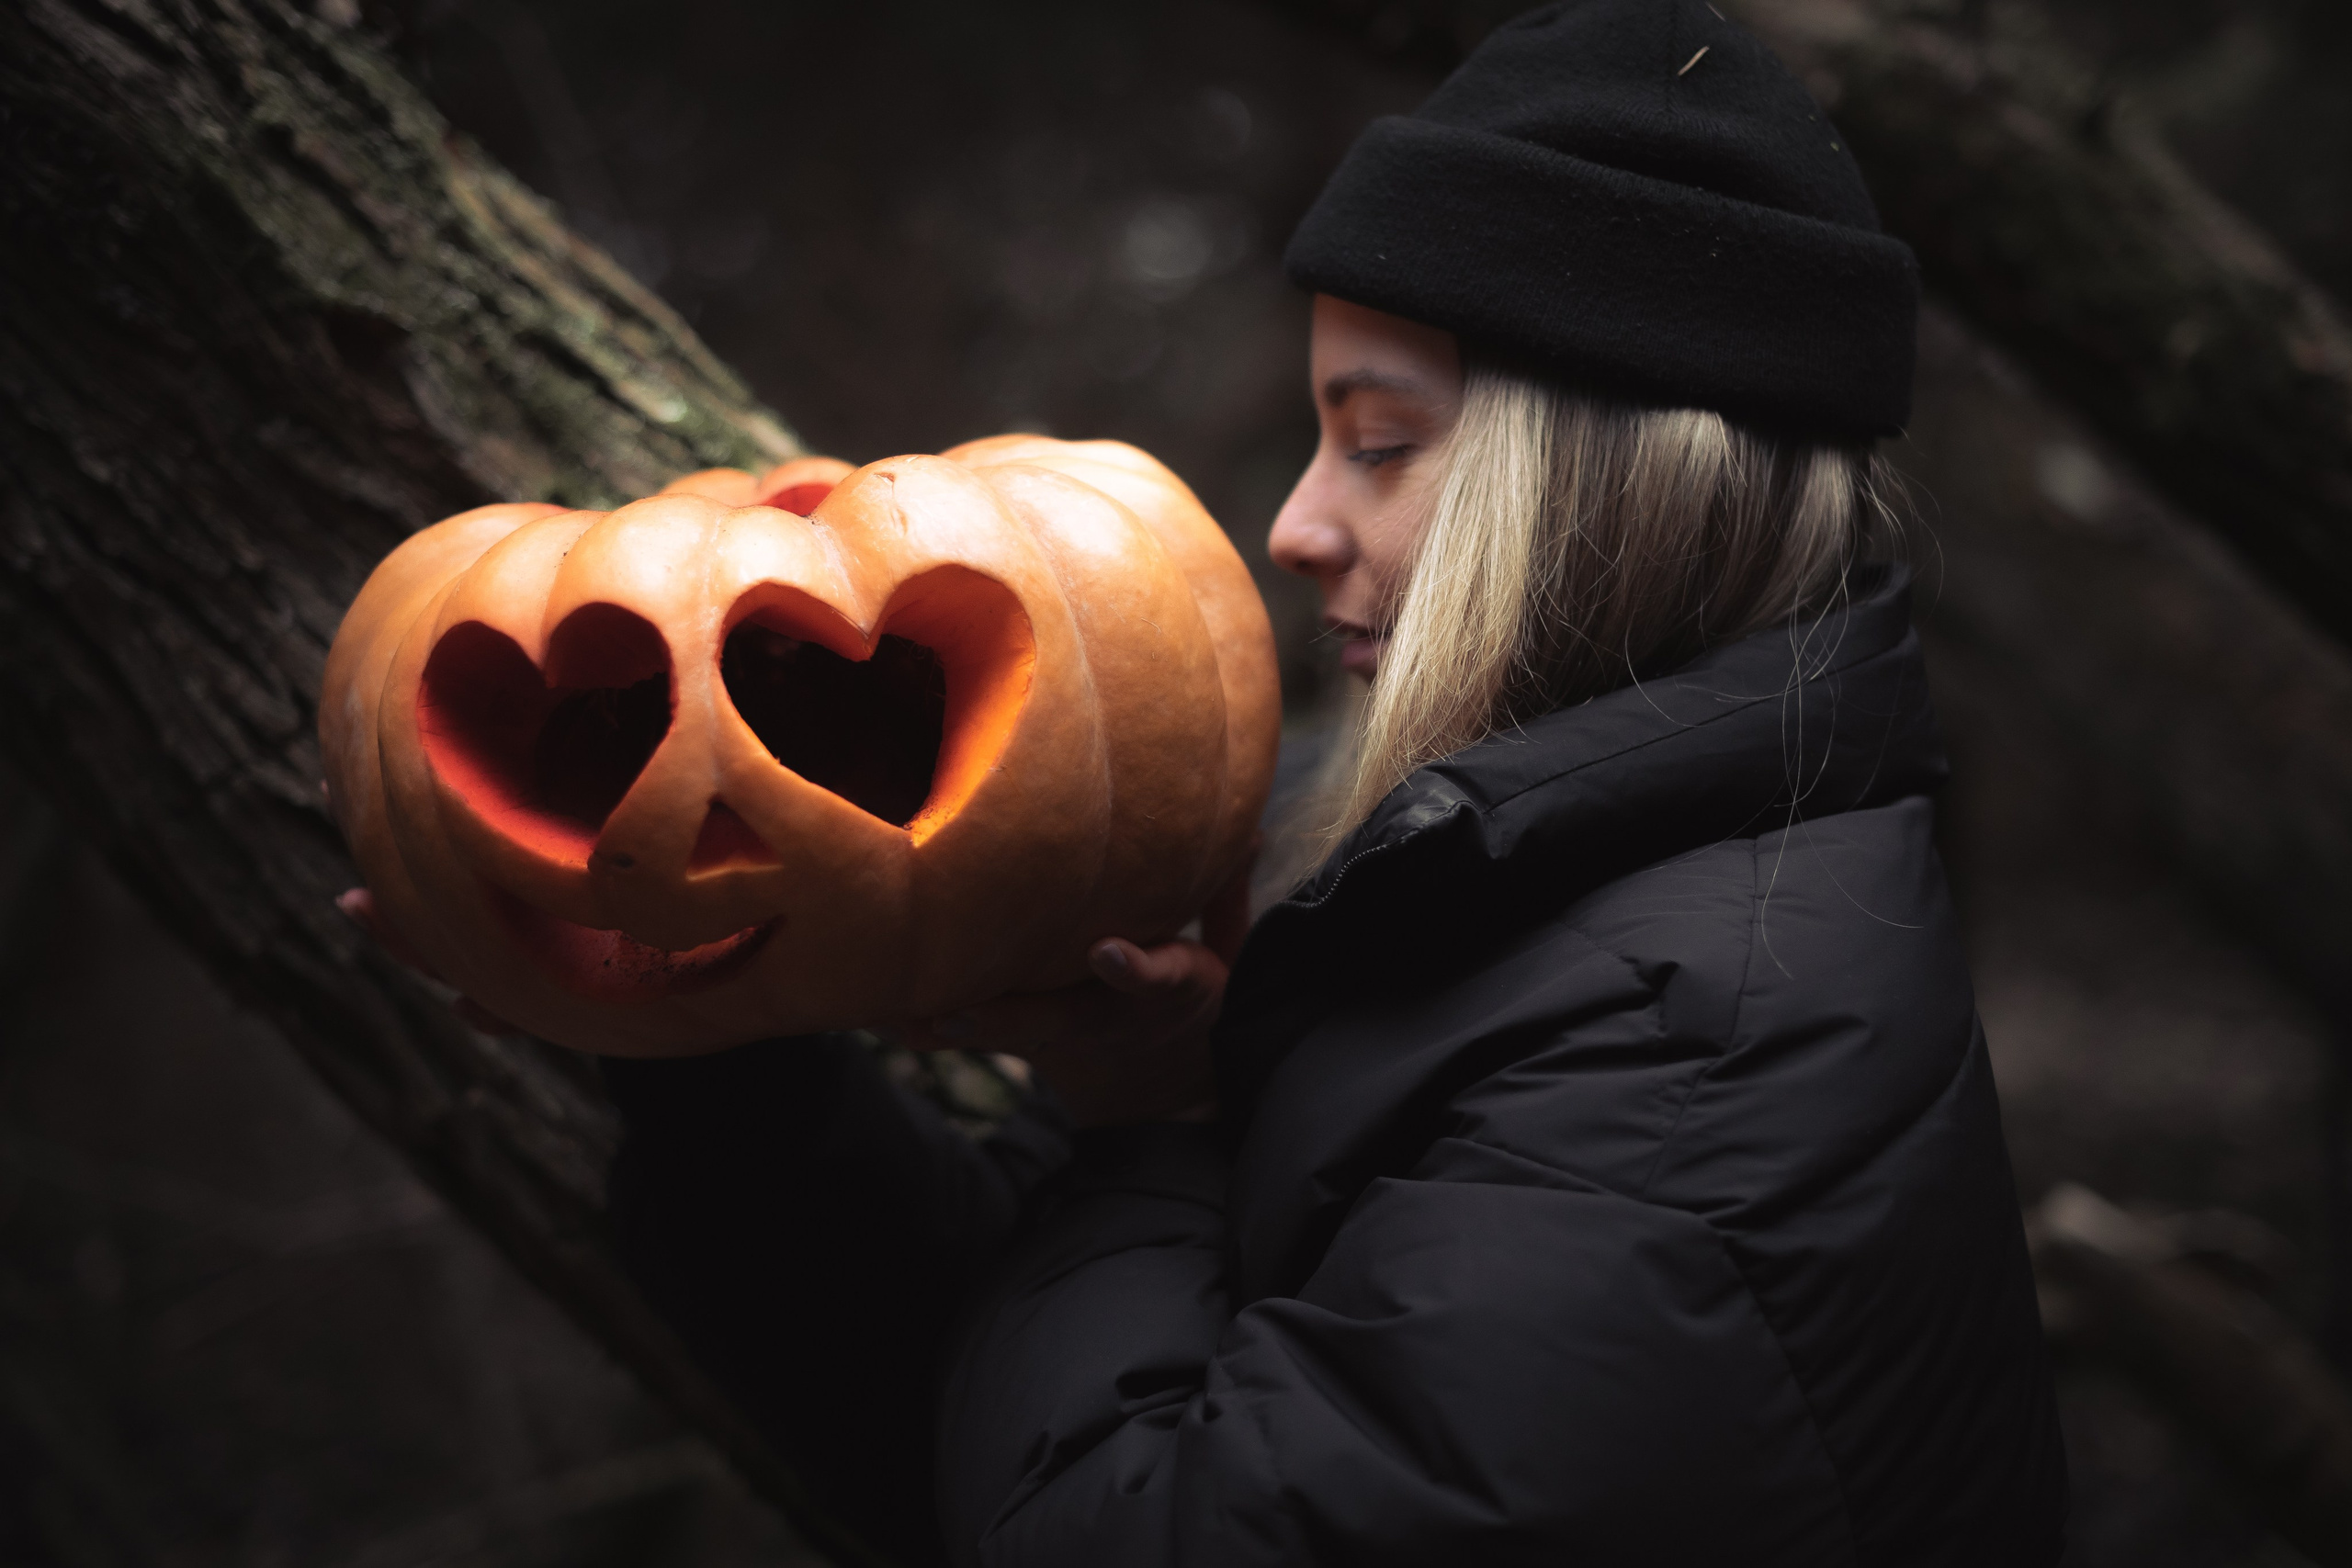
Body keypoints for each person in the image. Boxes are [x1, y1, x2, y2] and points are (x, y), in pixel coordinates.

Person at [374, 2, 2068, 1562]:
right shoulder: (1514, 880)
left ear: (1595, 487)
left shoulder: (1684, 1053)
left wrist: (1149, 1121)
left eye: (1383, 441)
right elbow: (995, 1419)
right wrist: (703, 1040)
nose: (1297, 523)